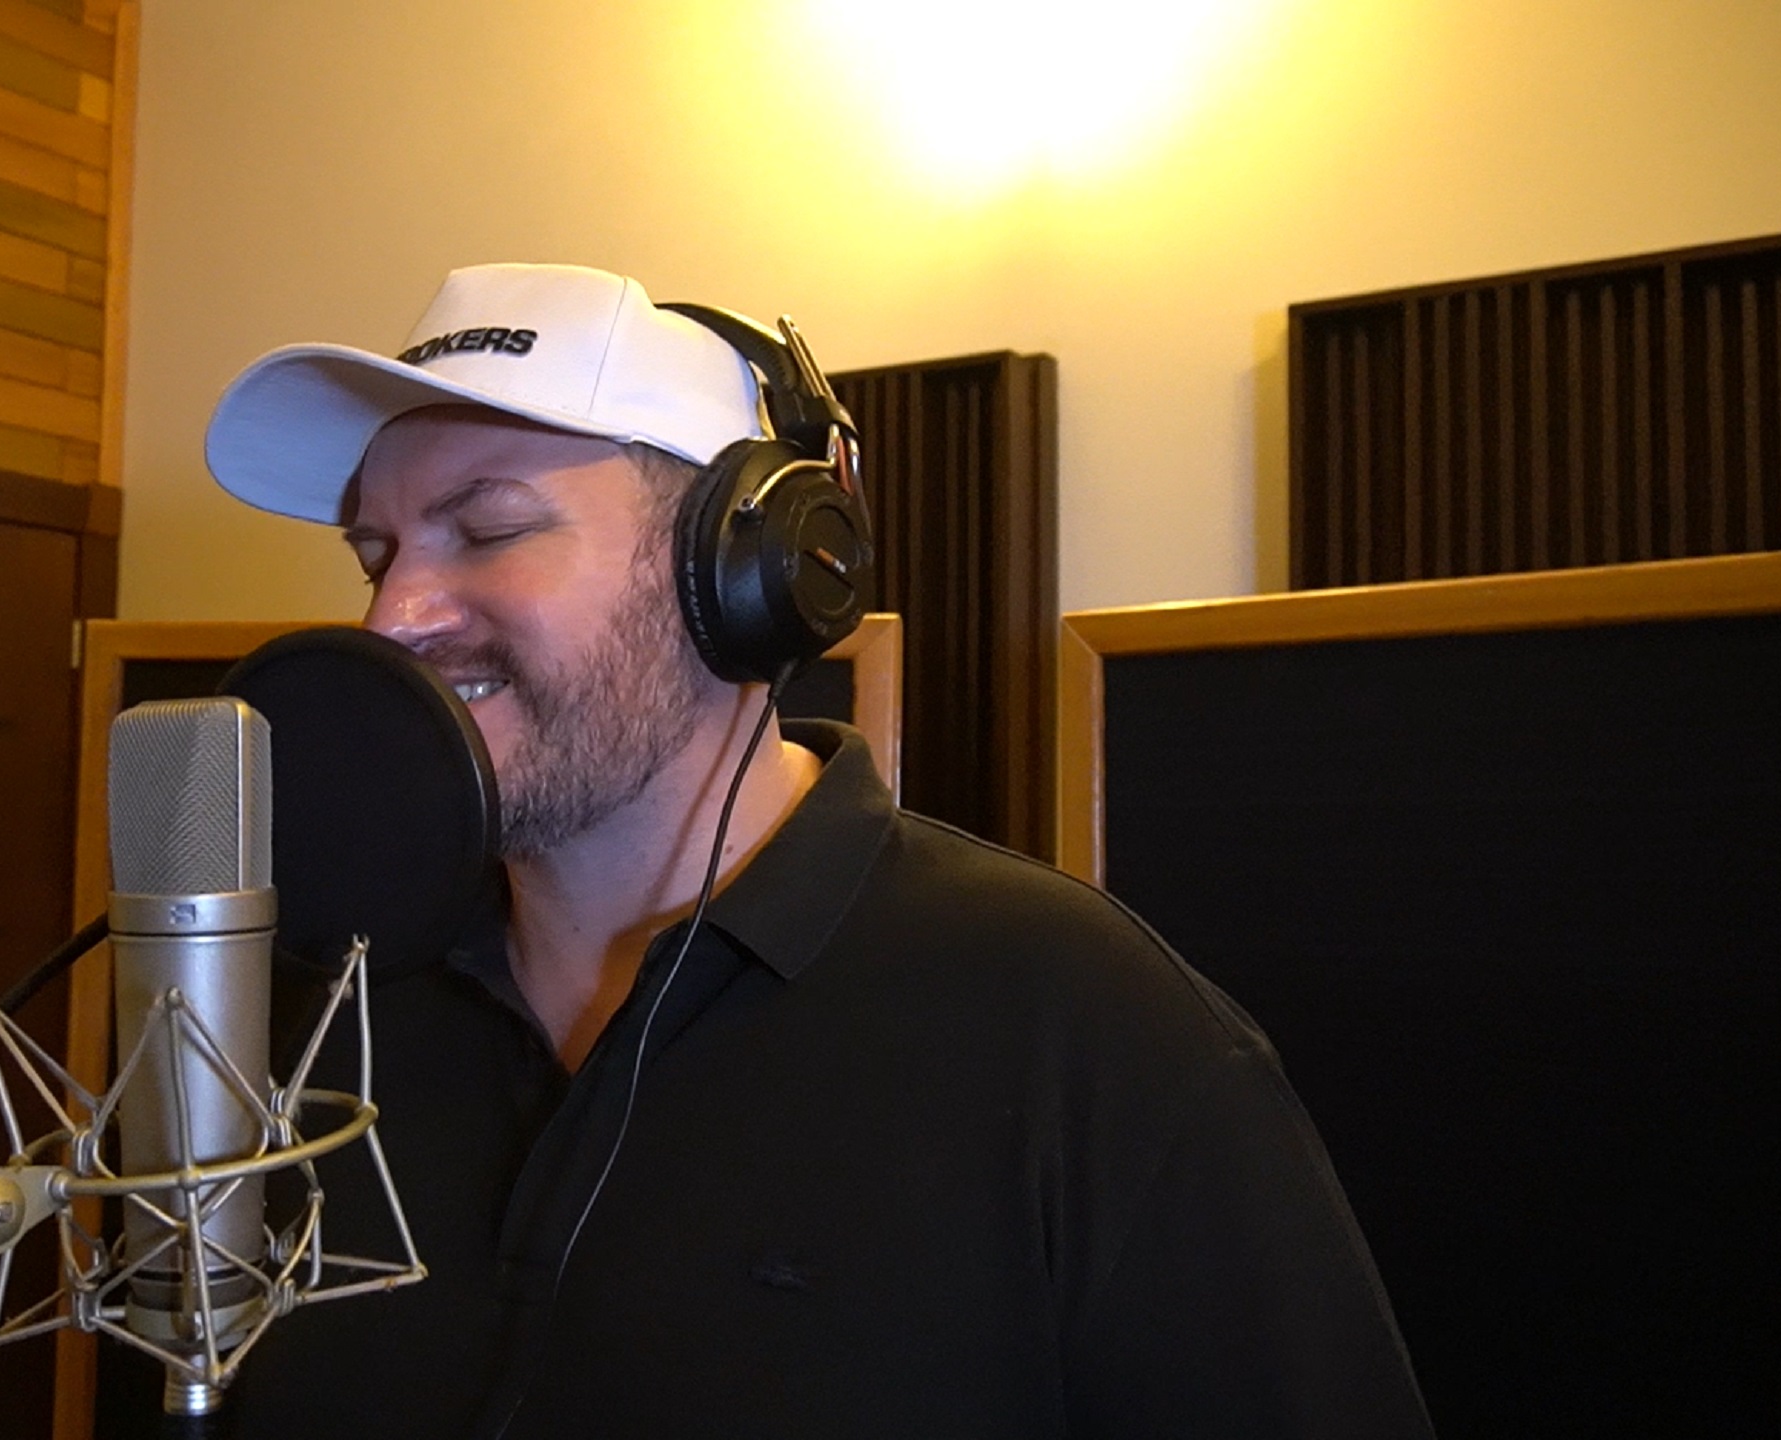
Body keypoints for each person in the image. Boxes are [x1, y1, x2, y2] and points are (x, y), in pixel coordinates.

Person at [198, 263, 1433, 1438]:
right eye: (375, 554)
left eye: (486, 531)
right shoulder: (308, 1006)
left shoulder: (1090, 1032)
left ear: (742, 577)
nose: (392, 619)